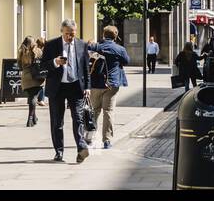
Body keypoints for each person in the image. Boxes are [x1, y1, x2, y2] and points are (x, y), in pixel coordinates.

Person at [40, 18, 91, 163]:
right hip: (58, 87)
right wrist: (55, 62)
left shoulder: (82, 45)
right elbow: (42, 66)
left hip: (76, 86)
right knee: (57, 121)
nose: (70, 37)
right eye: (67, 33)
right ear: (62, 31)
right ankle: (59, 152)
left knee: (78, 118)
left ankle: (81, 148)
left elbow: (86, 68)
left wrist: (87, 87)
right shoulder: (51, 45)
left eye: (73, 34)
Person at [90, 25, 130, 150]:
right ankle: (107, 140)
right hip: (112, 84)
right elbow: (126, 61)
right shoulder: (120, 49)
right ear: (116, 36)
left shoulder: (96, 47)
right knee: (108, 112)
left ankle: (90, 138)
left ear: (103, 34)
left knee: (94, 111)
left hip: (96, 83)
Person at [17, 36, 44, 127]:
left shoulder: (21, 52)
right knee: (33, 98)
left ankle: (34, 118)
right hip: (36, 77)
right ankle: (30, 119)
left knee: (32, 97)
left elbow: (19, 66)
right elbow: (43, 63)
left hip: (25, 77)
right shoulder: (38, 51)